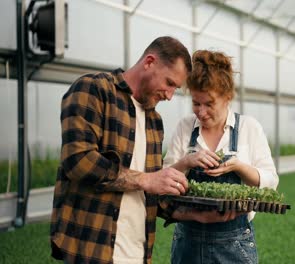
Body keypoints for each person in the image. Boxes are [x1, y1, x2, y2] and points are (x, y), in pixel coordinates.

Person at [50, 36, 193, 264]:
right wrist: (146, 180)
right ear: (149, 62)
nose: (169, 95)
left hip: (137, 254)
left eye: (175, 88)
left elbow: (150, 191)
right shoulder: (94, 90)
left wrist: (198, 213)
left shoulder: (154, 121)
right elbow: (78, 161)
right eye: (169, 83)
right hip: (93, 250)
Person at [164, 50, 279, 264]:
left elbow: (271, 181)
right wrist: (187, 161)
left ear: (227, 98)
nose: (202, 111)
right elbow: (164, 181)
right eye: (196, 103)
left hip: (234, 244)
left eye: (209, 104)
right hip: (188, 242)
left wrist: (238, 167)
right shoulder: (185, 128)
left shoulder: (248, 128)